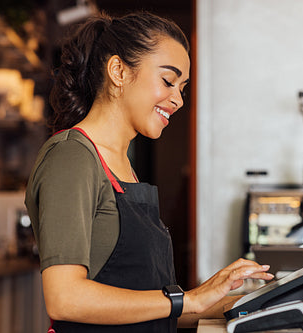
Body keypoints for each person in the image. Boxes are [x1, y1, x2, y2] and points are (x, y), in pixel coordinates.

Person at [25, 11, 274, 332]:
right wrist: (191, 299)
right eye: (168, 81)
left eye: (182, 87)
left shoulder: (124, 167)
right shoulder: (71, 156)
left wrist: (238, 301)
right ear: (118, 71)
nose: (179, 99)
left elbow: (147, 307)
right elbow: (65, 298)